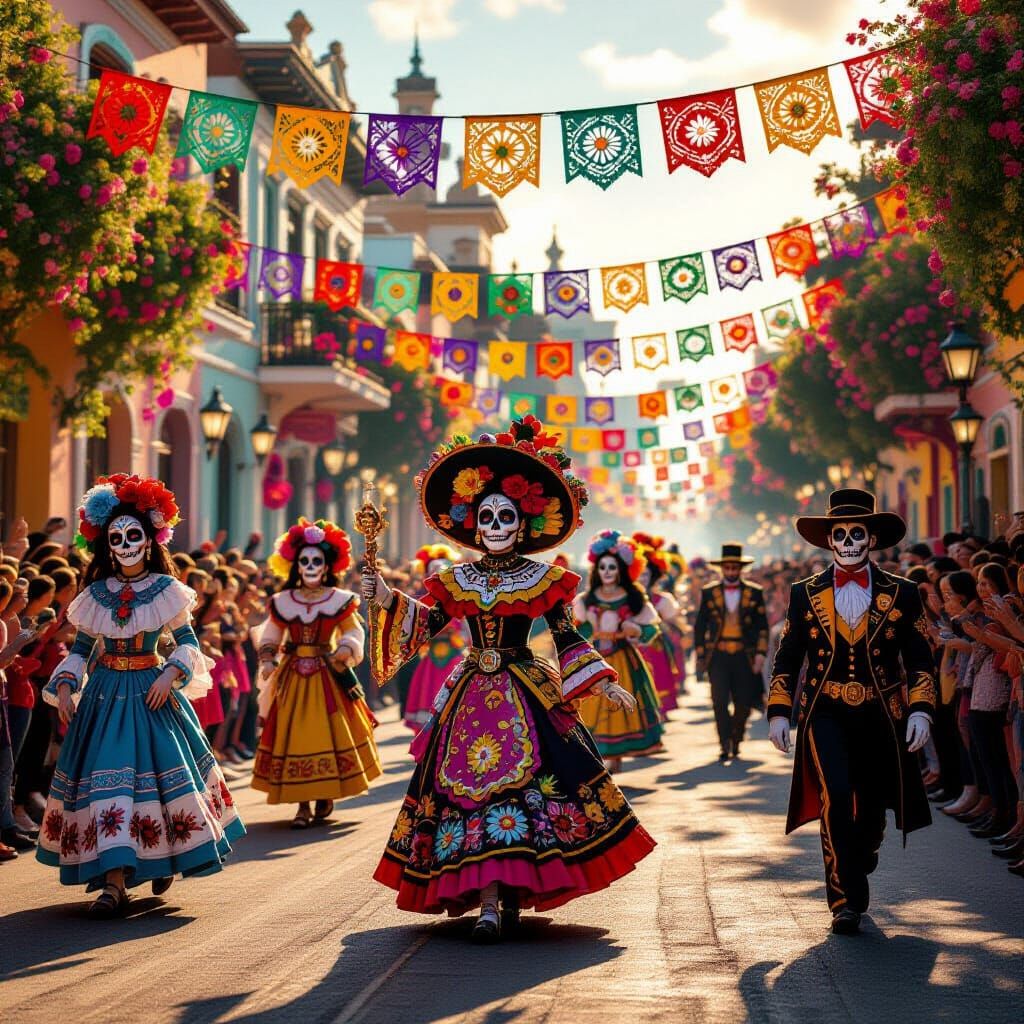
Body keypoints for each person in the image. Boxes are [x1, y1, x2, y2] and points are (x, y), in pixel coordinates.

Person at [362, 416, 655, 943]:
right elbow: (426, 623)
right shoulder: (456, 579)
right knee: (466, 791)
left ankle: (511, 892)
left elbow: (566, 636)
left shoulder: (542, 579)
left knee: (531, 788)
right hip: (472, 690)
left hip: (524, 687)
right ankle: (490, 901)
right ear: (476, 525)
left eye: (505, 517)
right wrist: (385, 597)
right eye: (487, 517)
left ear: (521, 525)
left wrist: (601, 683)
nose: (495, 525)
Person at [36, 474, 245, 917]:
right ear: (106, 544)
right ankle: (113, 884)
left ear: (150, 540)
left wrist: (170, 674)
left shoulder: (167, 590)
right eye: (117, 537)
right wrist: (68, 686)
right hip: (105, 699)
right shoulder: (95, 594)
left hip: (153, 695)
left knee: (155, 785)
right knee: (109, 784)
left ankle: (158, 856)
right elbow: (80, 649)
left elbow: (188, 642)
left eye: (134, 535)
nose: (126, 544)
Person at [767, 489, 936, 935]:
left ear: (872, 538)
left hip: (883, 713)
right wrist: (779, 712)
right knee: (836, 796)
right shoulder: (805, 593)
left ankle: (861, 853)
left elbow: (920, 657)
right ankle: (845, 901)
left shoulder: (903, 593)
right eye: (839, 534)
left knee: (873, 805)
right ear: (829, 541)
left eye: (855, 533)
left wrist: (921, 710)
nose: (847, 542)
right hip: (825, 711)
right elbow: (788, 655)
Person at [253, 517, 381, 828]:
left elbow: (354, 631)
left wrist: (347, 647)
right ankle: (302, 806)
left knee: (329, 734)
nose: (311, 566)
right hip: (293, 676)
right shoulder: (283, 601)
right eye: (305, 561)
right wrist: (268, 657)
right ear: (296, 565)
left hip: (328, 673)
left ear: (327, 567)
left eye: (317, 561)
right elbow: (270, 634)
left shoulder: (340, 600)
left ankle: (324, 794)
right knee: (294, 736)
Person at [574, 530, 665, 771]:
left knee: (622, 704)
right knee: (593, 705)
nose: (607, 572)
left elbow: (651, 628)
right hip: (594, 661)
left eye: (612, 567)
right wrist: (587, 631)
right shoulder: (587, 599)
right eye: (602, 567)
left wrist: (634, 629)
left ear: (621, 570)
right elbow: (577, 630)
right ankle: (599, 756)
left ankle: (616, 757)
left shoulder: (633, 597)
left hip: (623, 660)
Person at [694, 543, 769, 761]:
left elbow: (762, 626)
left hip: (744, 654)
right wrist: (700, 654)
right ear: (721, 569)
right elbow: (700, 625)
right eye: (727, 568)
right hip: (717, 655)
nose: (731, 572)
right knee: (718, 701)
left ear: (740, 568)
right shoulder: (709, 593)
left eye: (734, 568)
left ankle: (736, 739)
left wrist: (761, 654)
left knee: (743, 701)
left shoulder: (755, 593)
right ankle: (724, 742)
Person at [402, 544, 466, 732]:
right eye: (435, 574)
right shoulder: (422, 602)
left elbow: (467, 631)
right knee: (429, 691)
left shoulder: (462, 599)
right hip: (431, 656)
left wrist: (458, 635)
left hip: (455, 654)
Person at [632, 533, 686, 716]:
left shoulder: (663, 599)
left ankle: (659, 713)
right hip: (632, 647)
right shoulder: (624, 598)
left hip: (655, 646)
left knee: (659, 678)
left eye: (647, 574)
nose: (643, 578)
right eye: (640, 574)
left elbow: (675, 622)